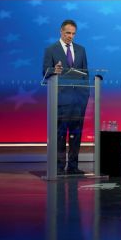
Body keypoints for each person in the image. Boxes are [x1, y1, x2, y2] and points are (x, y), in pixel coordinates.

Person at [42, 19, 89, 175]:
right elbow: (45, 72)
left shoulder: (81, 50)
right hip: (61, 99)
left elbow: (85, 73)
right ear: (61, 32)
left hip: (79, 99)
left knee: (76, 133)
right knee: (61, 134)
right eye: (68, 33)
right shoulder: (51, 50)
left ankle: (73, 166)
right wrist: (53, 70)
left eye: (73, 33)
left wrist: (86, 94)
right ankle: (60, 167)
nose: (71, 36)